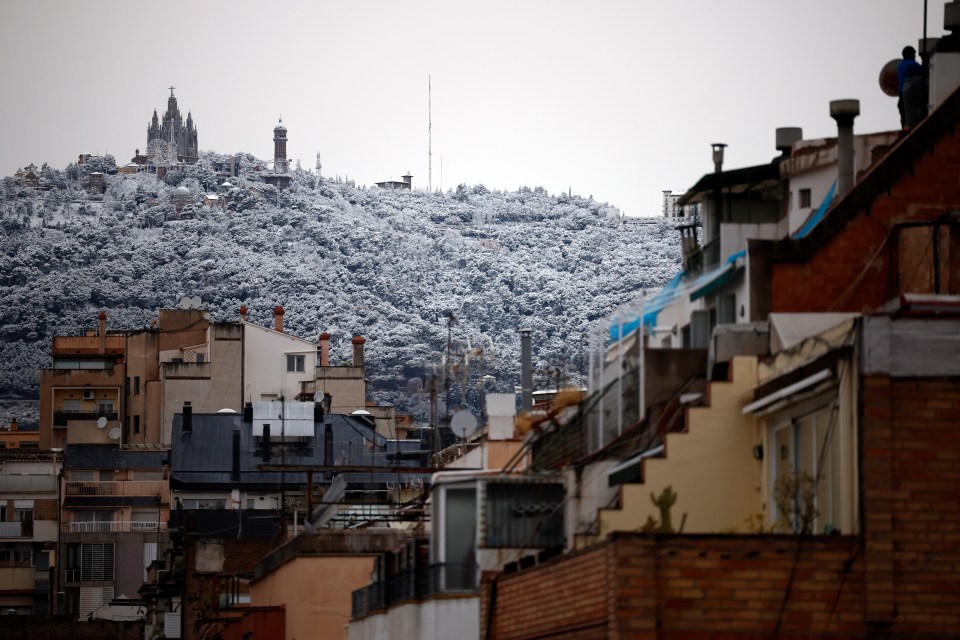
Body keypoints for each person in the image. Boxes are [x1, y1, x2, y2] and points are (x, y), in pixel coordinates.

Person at [897, 46, 923, 129]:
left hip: (901, 97)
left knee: (904, 121)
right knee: (912, 121)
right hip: (910, 98)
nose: (915, 56)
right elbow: (926, 70)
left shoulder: (900, 66)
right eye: (914, 54)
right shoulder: (912, 64)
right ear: (911, 55)